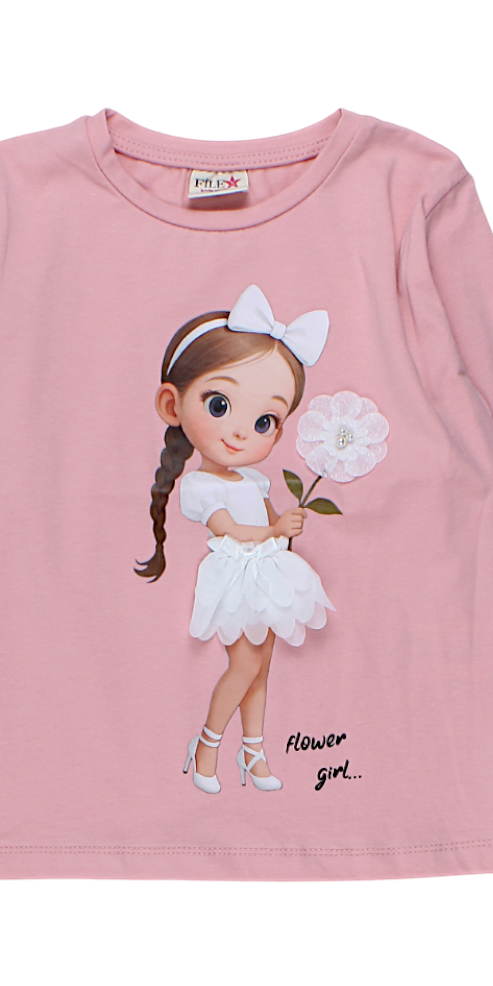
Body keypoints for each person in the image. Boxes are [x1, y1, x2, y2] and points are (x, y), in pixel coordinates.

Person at [136, 284, 335, 794]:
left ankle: (254, 753)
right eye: (220, 404)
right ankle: (206, 744)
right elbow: (228, 529)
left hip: (267, 573)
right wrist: (273, 530)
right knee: (243, 664)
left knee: (261, 667)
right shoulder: (201, 485)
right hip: (235, 577)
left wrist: (287, 524)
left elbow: (268, 519)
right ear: (173, 404)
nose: (243, 432)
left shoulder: (253, 478)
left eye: (265, 420)